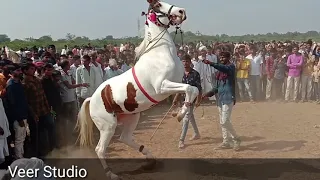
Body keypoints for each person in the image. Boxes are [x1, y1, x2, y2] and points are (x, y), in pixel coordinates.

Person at [202, 51, 241, 151]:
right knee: (222, 121)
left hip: (228, 97)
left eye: (223, 57)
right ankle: (226, 142)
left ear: (228, 58)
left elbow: (223, 68)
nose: (222, 59)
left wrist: (211, 63)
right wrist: (207, 94)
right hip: (220, 98)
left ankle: (236, 139)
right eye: (221, 57)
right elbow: (217, 87)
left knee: (224, 121)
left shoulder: (230, 67)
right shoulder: (220, 73)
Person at [172, 54, 202, 149]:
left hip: (191, 100)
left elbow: (199, 89)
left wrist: (198, 100)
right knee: (190, 116)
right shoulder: (181, 74)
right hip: (184, 99)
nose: (185, 63)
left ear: (190, 62)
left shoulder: (195, 74)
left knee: (185, 119)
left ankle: (181, 140)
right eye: (183, 61)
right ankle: (197, 133)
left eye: (187, 61)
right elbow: (181, 89)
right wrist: (176, 99)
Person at [5, 63, 29, 159]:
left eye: (20, 70)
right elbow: (13, 104)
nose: (20, 72)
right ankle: (19, 158)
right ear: (11, 72)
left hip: (23, 114)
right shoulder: (11, 85)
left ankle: (21, 155)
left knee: (22, 138)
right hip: (18, 117)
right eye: (17, 71)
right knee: (19, 139)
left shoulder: (18, 83)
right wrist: (19, 119)